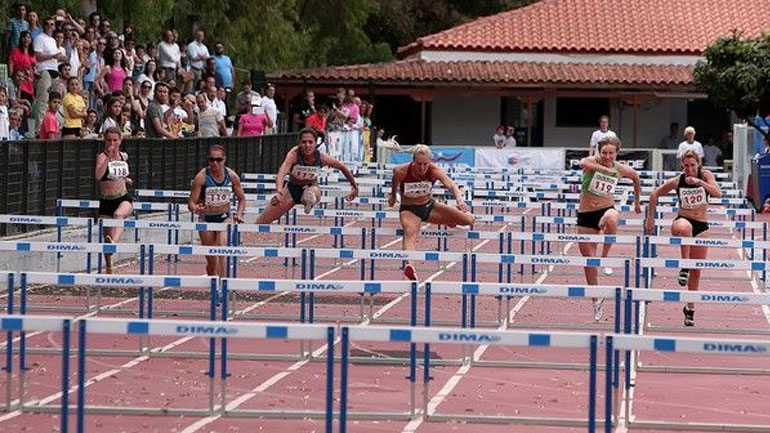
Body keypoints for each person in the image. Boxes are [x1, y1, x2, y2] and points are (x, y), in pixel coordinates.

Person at [646, 150, 722, 326]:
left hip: (701, 226)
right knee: (686, 228)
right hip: (681, 222)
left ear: (698, 164)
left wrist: (700, 182)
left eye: (692, 165)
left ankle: (690, 308)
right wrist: (650, 219)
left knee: (697, 271)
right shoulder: (678, 181)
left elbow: (717, 193)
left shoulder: (706, 175)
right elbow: (654, 194)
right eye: (686, 166)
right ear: (682, 166)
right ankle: (684, 267)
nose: (689, 169)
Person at [577, 136, 641, 320]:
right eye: (604, 152)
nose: (607, 156)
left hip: (606, 208)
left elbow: (636, 178)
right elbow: (584, 162)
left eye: (611, 153)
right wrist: (605, 169)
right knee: (588, 260)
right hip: (586, 213)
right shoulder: (592, 161)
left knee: (613, 218)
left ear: (617, 153)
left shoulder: (620, 168)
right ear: (599, 152)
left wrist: (637, 202)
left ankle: (605, 256)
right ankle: (596, 301)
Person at [389, 144, 475, 281]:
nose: (422, 168)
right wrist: (393, 195)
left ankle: (447, 220)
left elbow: (452, 185)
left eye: (425, 164)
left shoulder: (434, 170)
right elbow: (395, 181)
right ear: (413, 160)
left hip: (429, 206)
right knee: (410, 233)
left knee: (469, 220)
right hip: (409, 210)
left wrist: (459, 200)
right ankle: (410, 267)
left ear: (430, 161)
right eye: (418, 164)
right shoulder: (402, 171)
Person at [255, 128, 358, 223]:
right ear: (299, 143)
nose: (307, 145)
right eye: (304, 142)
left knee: (311, 192)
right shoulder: (294, 154)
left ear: (315, 143)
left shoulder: (322, 157)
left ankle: (308, 200)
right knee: (261, 222)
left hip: (312, 187)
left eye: (310, 142)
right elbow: (282, 172)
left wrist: (355, 187)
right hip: (291, 189)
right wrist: (279, 192)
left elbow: (342, 167)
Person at [188, 145, 247, 278]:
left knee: (222, 248)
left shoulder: (232, 176)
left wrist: (239, 213)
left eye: (218, 160)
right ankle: (213, 282)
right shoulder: (201, 177)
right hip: (206, 219)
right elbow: (191, 203)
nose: (215, 163)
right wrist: (196, 208)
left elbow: (242, 199)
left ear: (224, 159)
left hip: (225, 217)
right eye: (212, 159)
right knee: (212, 262)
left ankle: (224, 283)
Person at [95, 127, 134, 274]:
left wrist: (126, 179)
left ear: (120, 140)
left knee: (119, 215)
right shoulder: (102, 156)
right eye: (109, 140)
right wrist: (108, 158)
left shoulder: (124, 156)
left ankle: (114, 244)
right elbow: (98, 177)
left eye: (115, 140)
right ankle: (109, 266)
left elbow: (119, 173)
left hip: (123, 197)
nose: (112, 143)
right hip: (106, 200)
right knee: (107, 237)